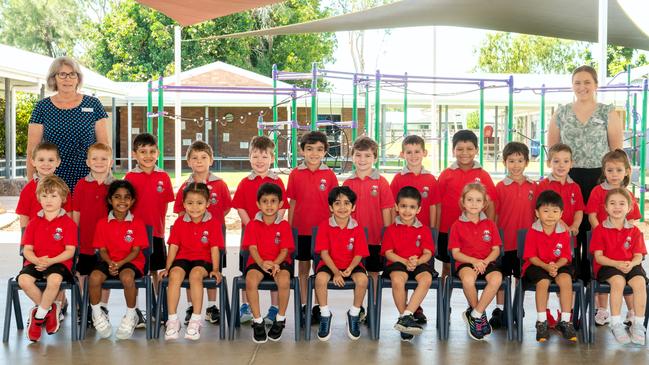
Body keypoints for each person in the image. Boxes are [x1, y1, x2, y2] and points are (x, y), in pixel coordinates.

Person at [547, 65, 624, 283]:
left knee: (595, 226)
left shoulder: (607, 112)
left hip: (599, 178)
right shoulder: (561, 113)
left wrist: (615, 182)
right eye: (577, 82)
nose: (582, 87)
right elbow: (553, 149)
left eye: (587, 82)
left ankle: (596, 269)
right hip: (568, 178)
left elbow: (616, 152)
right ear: (572, 85)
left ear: (596, 85)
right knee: (572, 226)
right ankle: (571, 269)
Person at [26, 56, 109, 192]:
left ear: (78, 78)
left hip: (89, 177)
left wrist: (105, 179)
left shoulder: (93, 104)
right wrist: (31, 185)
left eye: (72, 74)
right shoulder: (42, 107)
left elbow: (104, 147)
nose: (68, 79)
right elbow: (32, 151)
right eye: (62, 74)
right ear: (54, 78)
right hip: (52, 179)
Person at [173, 141, 231, 326]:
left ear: (211, 160)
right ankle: (191, 306)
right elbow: (181, 212)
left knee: (214, 271)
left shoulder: (220, 184)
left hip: (215, 237)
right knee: (192, 273)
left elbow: (226, 209)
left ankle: (212, 306)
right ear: (188, 162)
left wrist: (211, 224)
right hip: (191, 241)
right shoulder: (185, 187)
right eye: (195, 158)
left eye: (203, 157)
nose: (199, 161)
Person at [232, 136, 288, 324]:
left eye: (264, 157)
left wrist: (273, 226)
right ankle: (245, 306)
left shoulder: (277, 182)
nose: (259, 161)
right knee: (246, 269)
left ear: (272, 159)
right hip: (249, 236)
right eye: (255, 156)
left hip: (273, 238)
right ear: (249, 158)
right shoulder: (245, 182)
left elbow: (282, 207)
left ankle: (273, 308)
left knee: (273, 268)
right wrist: (252, 227)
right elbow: (239, 206)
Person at [287, 131, 338, 325]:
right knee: (302, 269)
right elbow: (292, 203)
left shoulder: (329, 175)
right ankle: (303, 306)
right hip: (301, 231)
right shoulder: (295, 174)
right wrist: (290, 230)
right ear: (302, 151)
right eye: (309, 149)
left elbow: (334, 207)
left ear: (325, 152)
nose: (314, 154)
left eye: (319, 150)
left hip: (322, 233)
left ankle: (318, 307)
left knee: (319, 272)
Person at [17, 175, 76, 342]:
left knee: (55, 280)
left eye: (53, 196)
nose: (48, 200)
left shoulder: (68, 223)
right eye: (44, 196)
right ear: (39, 198)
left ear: (63, 198)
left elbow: (70, 251)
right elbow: (27, 249)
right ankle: (51, 310)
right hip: (36, 261)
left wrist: (49, 261)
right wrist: (36, 260)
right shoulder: (34, 223)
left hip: (59, 263)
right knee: (24, 280)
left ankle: (39, 317)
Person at [88, 180, 148, 340]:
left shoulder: (137, 223)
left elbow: (136, 250)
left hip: (131, 262)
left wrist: (119, 264)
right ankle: (97, 314)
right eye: (117, 197)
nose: (122, 201)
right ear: (110, 200)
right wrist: (110, 263)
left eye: (127, 197)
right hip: (108, 260)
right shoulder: (102, 223)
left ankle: (130, 316)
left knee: (127, 277)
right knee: (94, 278)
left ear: (132, 201)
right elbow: (102, 250)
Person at [163, 183, 224, 341]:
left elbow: (215, 249)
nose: (194, 207)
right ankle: (173, 320)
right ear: (183, 204)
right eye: (190, 203)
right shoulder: (179, 223)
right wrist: (168, 267)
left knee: (195, 275)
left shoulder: (213, 223)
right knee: (175, 275)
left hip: (203, 261)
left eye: (199, 203)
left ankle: (196, 319)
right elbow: (174, 247)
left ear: (207, 204)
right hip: (183, 258)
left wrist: (216, 269)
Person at [586, 149, 640, 326]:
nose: (614, 174)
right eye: (609, 170)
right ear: (604, 171)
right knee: (605, 275)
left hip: (623, 247)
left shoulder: (628, 194)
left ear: (626, 171)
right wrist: (601, 232)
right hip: (603, 244)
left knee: (628, 272)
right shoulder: (597, 191)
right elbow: (592, 215)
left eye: (618, 170)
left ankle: (631, 312)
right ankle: (602, 310)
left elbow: (632, 221)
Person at [125, 133, 174, 327]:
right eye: (143, 152)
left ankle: (158, 308)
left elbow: (166, 203)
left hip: (157, 233)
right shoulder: (130, 177)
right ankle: (135, 310)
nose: (148, 155)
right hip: (135, 235)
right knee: (136, 272)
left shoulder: (163, 176)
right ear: (135, 154)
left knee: (155, 271)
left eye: (152, 151)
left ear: (158, 153)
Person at [389, 135, 440, 325]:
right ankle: (408, 312)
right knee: (402, 274)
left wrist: (432, 229)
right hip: (402, 233)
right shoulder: (398, 178)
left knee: (420, 272)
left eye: (417, 151)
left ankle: (413, 309)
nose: (413, 156)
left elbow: (434, 205)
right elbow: (391, 204)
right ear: (403, 154)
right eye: (409, 152)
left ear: (424, 153)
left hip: (422, 235)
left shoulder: (430, 179)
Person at [590, 188, 647, 345]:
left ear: (629, 208)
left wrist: (631, 264)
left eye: (622, 203)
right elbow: (599, 257)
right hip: (609, 265)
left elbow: (639, 256)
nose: (617, 207)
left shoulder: (634, 231)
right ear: (606, 207)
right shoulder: (600, 230)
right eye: (612, 203)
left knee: (640, 282)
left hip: (630, 264)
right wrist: (617, 264)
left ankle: (638, 324)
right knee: (618, 282)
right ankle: (616, 323)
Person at [437, 130, 497, 279]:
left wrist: (489, 225)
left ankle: (473, 302)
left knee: (476, 268)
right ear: (453, 151)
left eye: (470, 149)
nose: (465, 153)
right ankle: (445, 302)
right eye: (460, 149)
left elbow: (491, 203)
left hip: (476, 232)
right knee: (448, 268)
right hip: (448, 229)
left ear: (476, 150)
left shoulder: (483, 175)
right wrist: (437, 229)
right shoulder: (446, 174)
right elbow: (437, 203)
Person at [521, 190, 577, 343]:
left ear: (561, 214)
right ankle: (541, 322)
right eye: (546, 211)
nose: (550, 215)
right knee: (543, 282)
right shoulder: (533, 231)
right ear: (537, 213)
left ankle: (565, 321)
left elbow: (566, 256)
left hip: (558, 264)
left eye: (555, 211)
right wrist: (547, 267)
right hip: (537, 265)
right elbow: (531, 257)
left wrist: (556, 266)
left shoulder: (564, 232)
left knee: (566, 280)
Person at [314, 186, 369, 341]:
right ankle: (325, 314)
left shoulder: (357, 227)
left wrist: (351, 268)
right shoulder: (324, 226)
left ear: (353, 207)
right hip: (330, 264)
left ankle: (354, 313)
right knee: (320, 279)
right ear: (331, 207)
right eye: (337, 203)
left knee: (363, 280)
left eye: (347, 203)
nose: (342, 207)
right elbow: (324, 253)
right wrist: (336, 272)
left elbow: (359, 254)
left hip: (352, 264)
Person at [448, 183, 502, 341]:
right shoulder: (457, 225)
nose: (473, 203)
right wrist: (474, 261)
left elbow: (496, 250)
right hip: (466, 263)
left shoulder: (490, 224)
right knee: (468, 279)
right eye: (469, 199)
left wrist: (484, 262)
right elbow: (456, 253)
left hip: (487, 262)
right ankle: (479, 315)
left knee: (497, 278)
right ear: (463, 202)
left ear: (485, 204)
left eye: (478, 200)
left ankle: (475, 314)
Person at [382, 186, 435, 342]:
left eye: (412, 207)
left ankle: (406, 316)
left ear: (418, 209)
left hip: (418, 262)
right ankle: (403, 317)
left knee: (426, 279)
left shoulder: (424, 230)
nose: (407, 211)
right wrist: (405, 261)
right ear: (397, 207)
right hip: (398, 262)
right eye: (403, 206)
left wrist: (417, 261)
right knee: (398, 279)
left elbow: (428, 253)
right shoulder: (391, 230)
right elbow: (388, 253)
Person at [242, 183, 294, 343]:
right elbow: (252, 248)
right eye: (265, 201)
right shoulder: (252, 224)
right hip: (258, 262)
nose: (269, 205)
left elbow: (285, 250)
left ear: (280, 204)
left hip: (280, 263)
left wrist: (275, 263)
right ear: (258, 204)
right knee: (250, 280)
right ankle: (257, 321)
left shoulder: (284, 225)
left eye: (273, 201)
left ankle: (280, 318)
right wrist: (262, 263)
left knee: (284, 281)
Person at [492, 141, 536, 329]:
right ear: (504, 162)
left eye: (520, 160)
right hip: (504, 241)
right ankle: (500, 309)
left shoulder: (534, 187)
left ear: (526, 162)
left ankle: (517, 306)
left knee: (520, 276)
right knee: (502, 278)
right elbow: (493, 216)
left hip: (526, 243)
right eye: (511, 161)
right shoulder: (499, 187)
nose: (516, 165)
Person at [343, 136, 394, 295]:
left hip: (375, 237)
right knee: (358, 274)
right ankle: (359, 308)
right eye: (358, 155)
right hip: (354, 239)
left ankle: (372, 305)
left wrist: (386, 236)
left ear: (375, 158)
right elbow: (343, 213)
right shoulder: (348, 184)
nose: (362, 159)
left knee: (373, 273)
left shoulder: (381, 182)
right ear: (352, 157)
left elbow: (387, 210)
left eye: (367, 155)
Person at [72, 143, 114, 307]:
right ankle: (83, 306)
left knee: (103, 274)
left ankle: (102, 307)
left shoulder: (115, 186)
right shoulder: (82, 184)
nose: (99, 162)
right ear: (88, 162)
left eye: (104, 158)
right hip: (85, 241)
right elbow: (76, 212)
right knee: (82, 273)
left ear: (110, 162)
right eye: (95, 158)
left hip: (107, 242)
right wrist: (75, 237)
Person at [17, 142, 73, 228]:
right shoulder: (28, 189)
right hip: (36, 237)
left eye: (50, 160)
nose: (46, 164)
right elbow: (24, 215)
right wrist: (24, 237)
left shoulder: (63, 187)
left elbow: (68, 212)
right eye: (41, 160)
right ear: (33, 162)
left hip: (58, 236)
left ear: (58, 162)